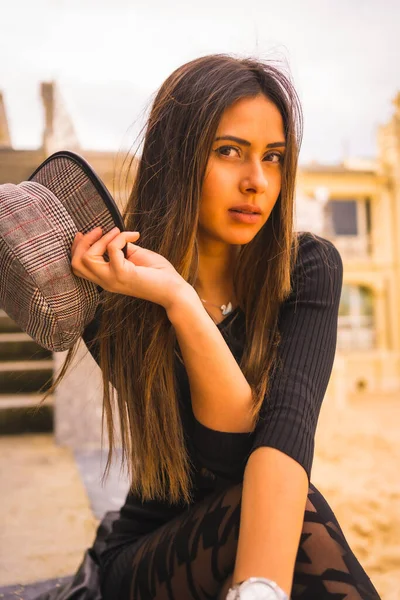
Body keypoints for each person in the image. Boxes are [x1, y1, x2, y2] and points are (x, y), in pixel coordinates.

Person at [49, 54, 381, 599]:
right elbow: (225, 462)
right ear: (178, 159)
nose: (256, 182)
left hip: (258, 530)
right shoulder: (121, 293)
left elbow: (285, 441)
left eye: (273, 158)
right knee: (290, 511)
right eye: (229, 152)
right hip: (149, 559)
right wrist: (179, 300)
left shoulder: (308, 269)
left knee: (290, 497)